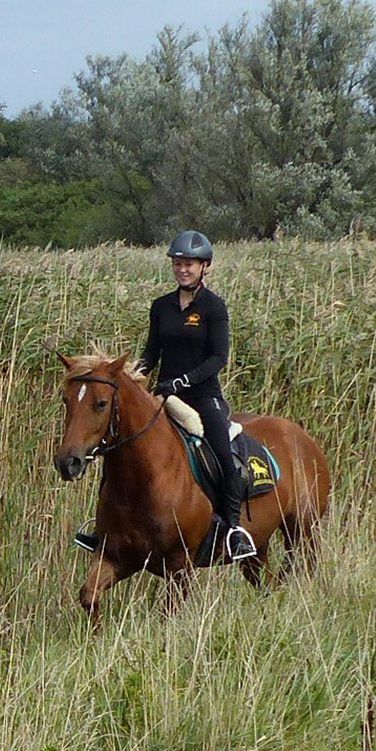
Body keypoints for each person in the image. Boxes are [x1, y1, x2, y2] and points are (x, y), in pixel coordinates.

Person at [136, 230, 253, 563]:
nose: (182, 269)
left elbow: (218, 358)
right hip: (165, 397)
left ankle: (233, 530)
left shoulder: (214, 307)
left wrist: (184, 380)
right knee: (126, 446)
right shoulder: (161, 307)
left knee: (225, 458)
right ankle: (106, 528)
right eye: (178, 263)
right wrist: (134, 376)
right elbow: (151, 353)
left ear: (205, 267)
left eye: (189, 264)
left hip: (203, 398)